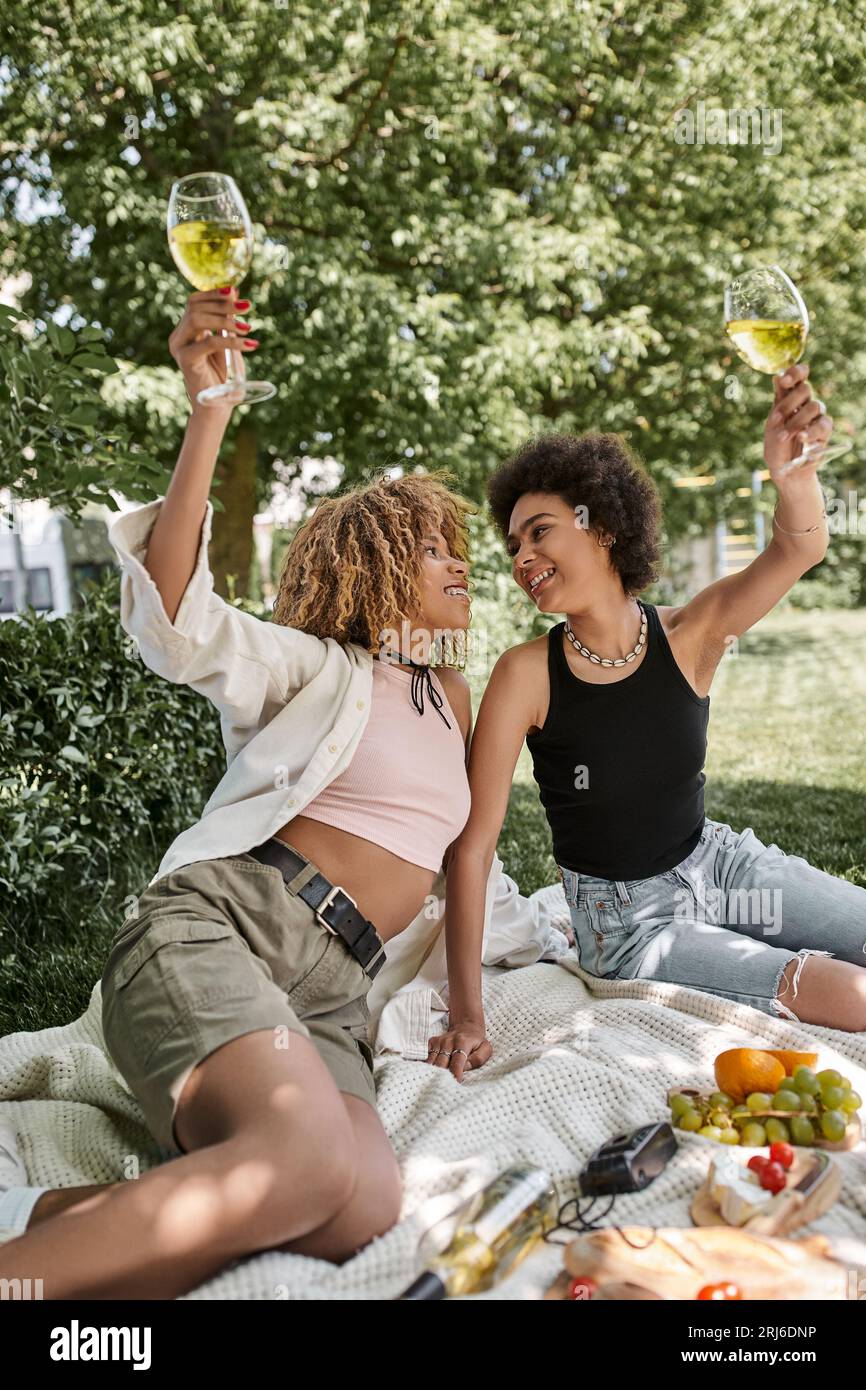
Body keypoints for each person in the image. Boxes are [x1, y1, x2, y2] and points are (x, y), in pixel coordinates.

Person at [0, 285, 481, 1298]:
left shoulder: (456, 698)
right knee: (297, 1165)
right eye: (430, 547)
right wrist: (210, 410)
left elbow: (460, 866)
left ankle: (36, 1229)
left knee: (353, 1211)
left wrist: (477, 996)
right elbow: (175, 616)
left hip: (335, 993)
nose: (459, 563)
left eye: (456, 546)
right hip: (224, 927)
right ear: (374, 568)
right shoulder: (316, 668)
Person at [434, 362, 866, 1080]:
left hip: (720, 865)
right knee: (848, 994)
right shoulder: (524, 674)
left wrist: (793, 476)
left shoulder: (691, 633)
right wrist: (468, 1014)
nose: (522, 558)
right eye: (513, 547)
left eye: (538, 533)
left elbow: (800, 547)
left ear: (600, 525)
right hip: (627, 924)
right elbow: (472, 850)